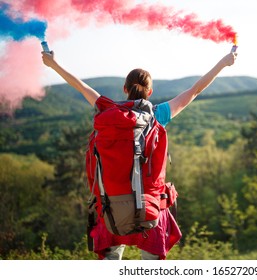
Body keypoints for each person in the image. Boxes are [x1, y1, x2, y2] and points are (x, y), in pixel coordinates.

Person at [41, 47, 237, 260]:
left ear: (125, 89)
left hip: (110, 207)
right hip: (150, 207)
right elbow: (194, 91)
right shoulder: (157, 116)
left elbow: (81, 86)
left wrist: (53, 64)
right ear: (150, 92)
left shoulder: (106, 111)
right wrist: (224, 62)